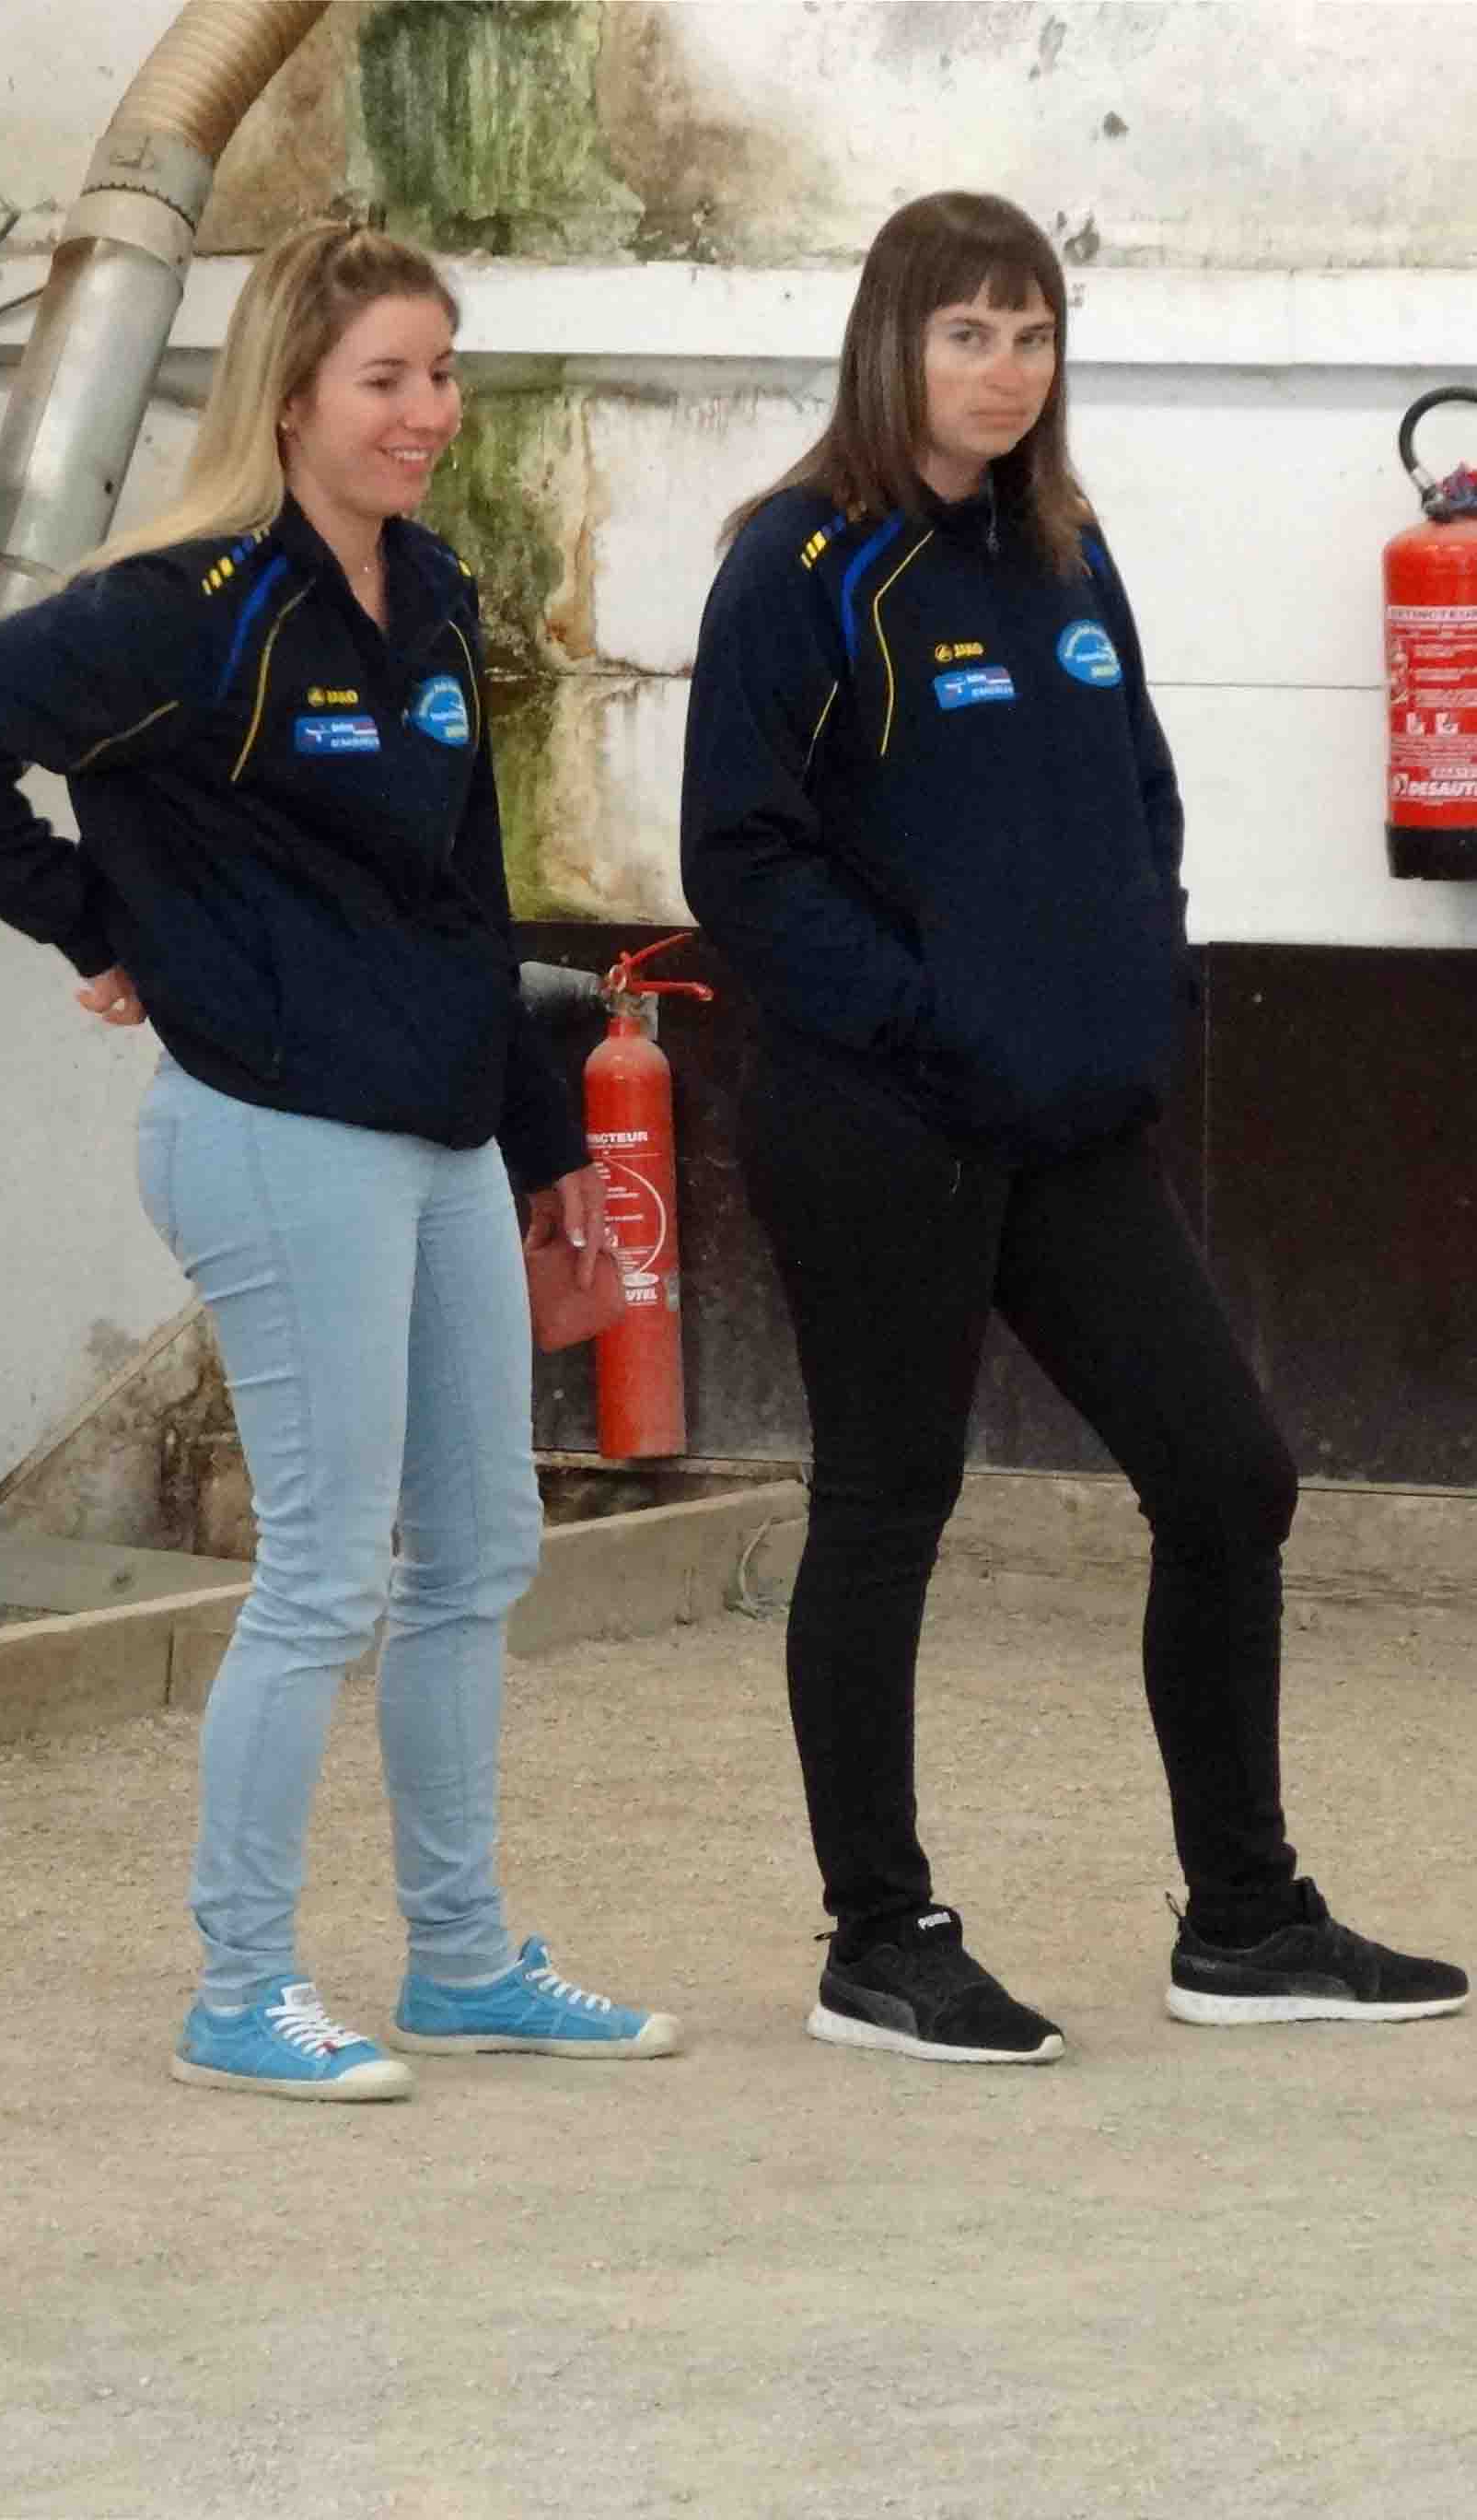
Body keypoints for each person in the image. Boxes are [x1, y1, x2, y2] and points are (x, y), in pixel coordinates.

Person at [0, 219, 679, 2102]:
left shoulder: (429, 592)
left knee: (478, 1549)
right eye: (388, 378)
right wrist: (102, 926)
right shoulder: (184, 601)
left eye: (440, 372)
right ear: (293, 395)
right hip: (268, 1135)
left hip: (436, 1128)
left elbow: (460, 893)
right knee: (323, 1573)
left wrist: (547, 1133)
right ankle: (240, 1987)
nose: (428, 412)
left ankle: (464, 1956)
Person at [680, 191, 1464, 2067]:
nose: (1004, 372)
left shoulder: (1059, 546)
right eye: (966, 334)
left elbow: (1137, 792)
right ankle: (879, 1938)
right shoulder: (798, 563)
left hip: (1063, 1116)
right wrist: (930, 1016)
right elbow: (742, 858)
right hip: (879, 1121)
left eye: (1030, 335)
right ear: (890, 345)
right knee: (891, 1503)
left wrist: (1145, 978)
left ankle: (1246, 1920)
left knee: (1226, 1478)